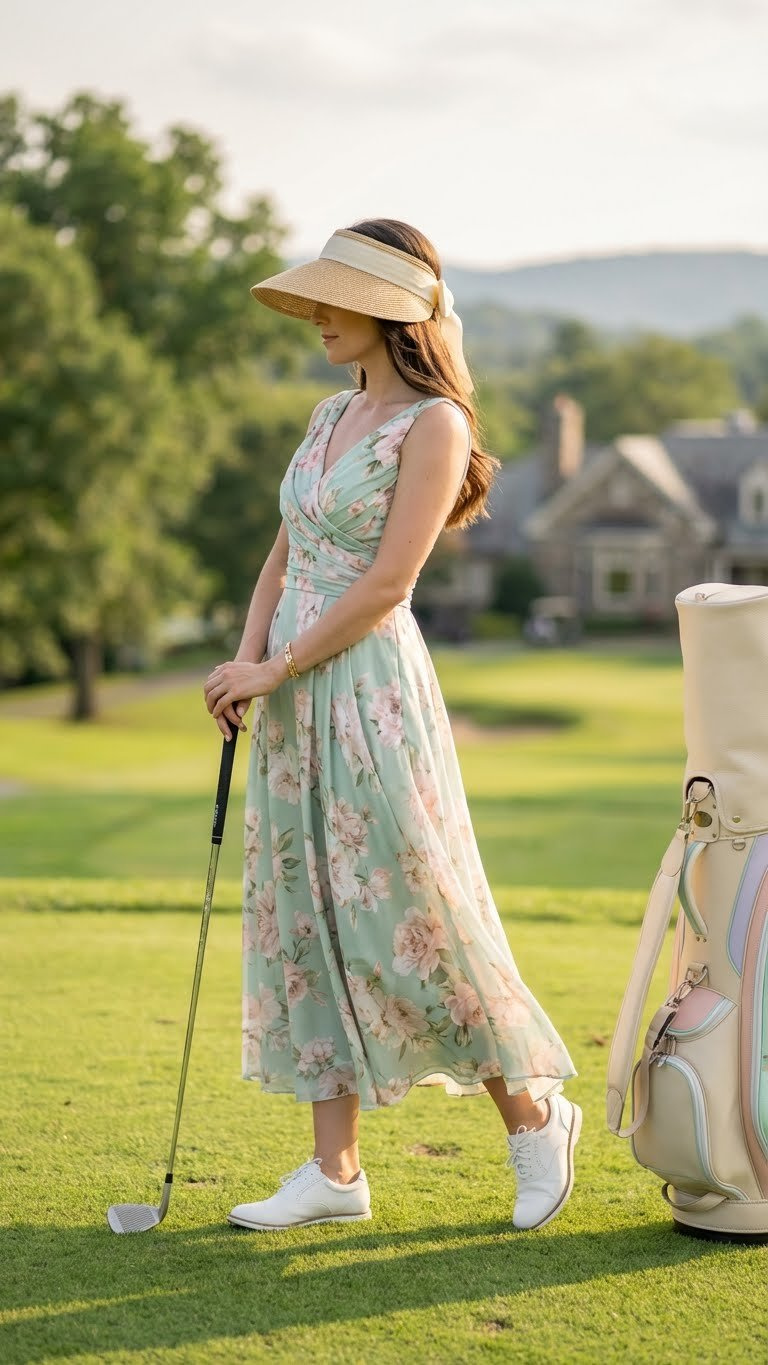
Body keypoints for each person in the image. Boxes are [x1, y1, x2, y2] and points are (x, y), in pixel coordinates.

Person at [203, 218, 580, 1233]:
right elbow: (282, 557)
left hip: (365, 690)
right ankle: (335, 1173)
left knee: (413, 912)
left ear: (389, 311)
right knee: (307, 913)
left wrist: (275, 663)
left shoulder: (436, 425)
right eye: (317, 298)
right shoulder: (327, 416)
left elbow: (387, 584)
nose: (319, 318)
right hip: (289, 692)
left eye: (336, 300)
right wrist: (248, 667)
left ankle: (535, 1118)